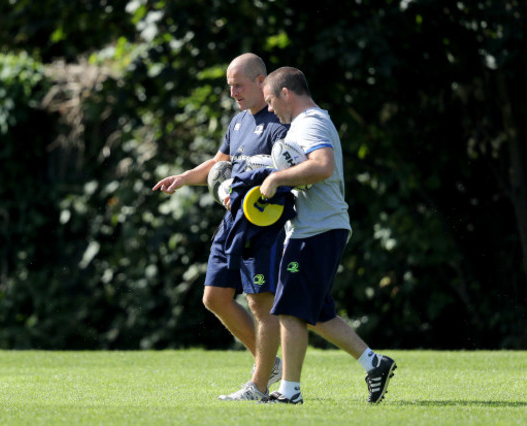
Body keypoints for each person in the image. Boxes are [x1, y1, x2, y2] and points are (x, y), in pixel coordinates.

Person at [152, 53, 288, 401]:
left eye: (238, 85)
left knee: (260, 303)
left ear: (261, 81)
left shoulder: (280, 124)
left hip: (262, 225)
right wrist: (185, 178)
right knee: (213, 297)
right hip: (231, 223)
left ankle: (259, 387)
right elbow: (219, 164)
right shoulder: (238, 123)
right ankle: (267, 363)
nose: (233, 93)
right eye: (229, 86)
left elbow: (287, 177)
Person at [259, 66, 396, 404]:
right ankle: (374, 363)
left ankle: (289, 392)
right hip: (317, 228)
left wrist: (278, 179)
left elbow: (323, 165)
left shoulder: (311, 122)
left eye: (270, 100)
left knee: (289, 310)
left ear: (285, 93)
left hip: (316, 231)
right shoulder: (307, 123)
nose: (271, 108)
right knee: (318, 314)